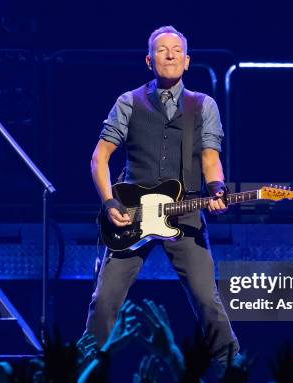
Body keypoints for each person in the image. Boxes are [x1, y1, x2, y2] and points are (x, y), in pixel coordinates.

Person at [84, 25, 239, 363]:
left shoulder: (203, 105)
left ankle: (231, 370)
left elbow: (210, 157)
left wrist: (216, 189)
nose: (169, 54)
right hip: (131, 216)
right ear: (149, 60)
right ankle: (84, 374)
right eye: (161, 49)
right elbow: (100, 157)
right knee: (105, 299)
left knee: (207, 299)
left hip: (183, 215)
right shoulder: (128, 102)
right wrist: (109, 201)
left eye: (176, 50)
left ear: (187, 61)